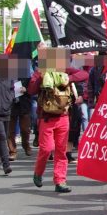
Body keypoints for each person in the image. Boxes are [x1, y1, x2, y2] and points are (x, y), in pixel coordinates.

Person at [27, 53, 86, 193]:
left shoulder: (64, 70)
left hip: (63, 116)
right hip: (46, 118)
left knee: (61, 151)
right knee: (46, 149)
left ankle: (60, 181)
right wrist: (42, 78)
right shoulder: (40, 72)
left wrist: (67, 78)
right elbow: (31, 90)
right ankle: (38, 173)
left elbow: (84, 74)